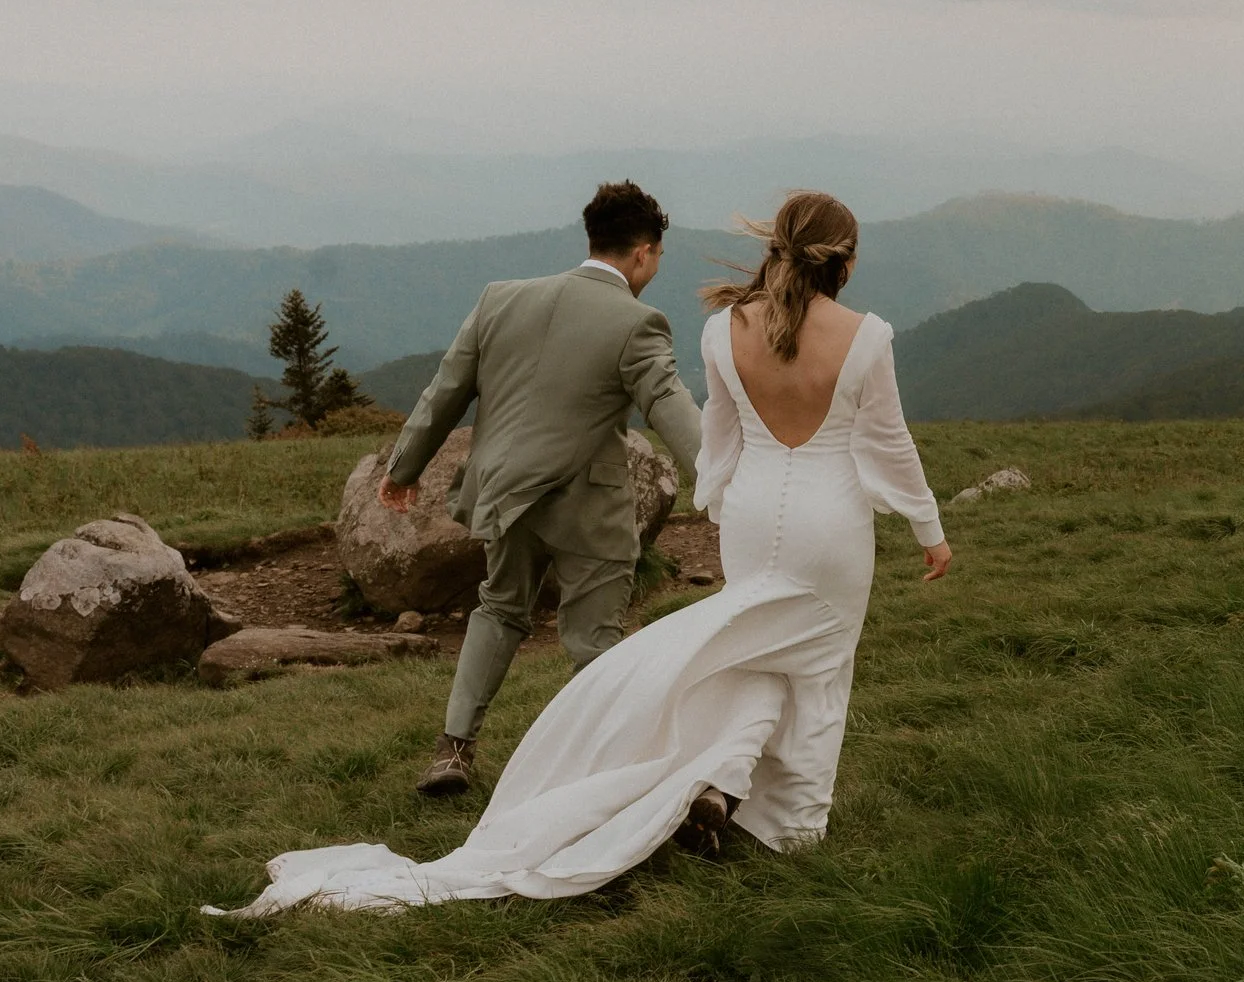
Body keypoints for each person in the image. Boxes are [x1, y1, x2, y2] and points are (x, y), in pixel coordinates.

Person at [207, 190, 951, 913]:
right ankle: (722, 806)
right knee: (751, 662)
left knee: (557, 620)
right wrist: (920, 526)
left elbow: (451, 388)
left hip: (593, 503)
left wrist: (404, 470)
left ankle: (471, 746)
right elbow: (823, 432)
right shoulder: (816, 332)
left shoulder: (566, 305)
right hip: (727, 517)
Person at [381, 180, 703, 795]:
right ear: (643, 253)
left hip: (505, 495)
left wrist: (403, 469)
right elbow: (670, 406)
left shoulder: (500, 300)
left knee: (499, 608)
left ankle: (453, 750)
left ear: (591, 240)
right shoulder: (638, 323)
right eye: (657, 257)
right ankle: (608, 770)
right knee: (594, 637)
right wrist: (719, 481)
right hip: (589, 504)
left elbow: (445, 391)